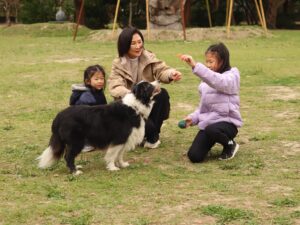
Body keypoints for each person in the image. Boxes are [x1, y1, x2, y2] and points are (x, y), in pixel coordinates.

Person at [108, 27, 182, 149]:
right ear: (125, 45)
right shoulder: (118, 63)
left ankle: (152, 136)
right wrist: (133, 95)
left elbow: (161, 70)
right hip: (129, 106)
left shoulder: (148, 56)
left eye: (139, 42)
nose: (138, 46)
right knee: (145, 124)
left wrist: (171, 74)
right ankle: (146, 135)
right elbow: (115, 86)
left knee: (162, 94)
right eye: (133, 43)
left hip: (146, 102)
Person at [179, 42, 242, 162]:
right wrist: (192, 119)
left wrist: (195, 65)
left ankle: (230, 144)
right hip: (209, 124)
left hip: (227, 124)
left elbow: (218, 81)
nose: (208, 65)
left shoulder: (231, 76)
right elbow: (204, 108)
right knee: (194, 156)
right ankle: (209, 144)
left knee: (212, 129)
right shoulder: (205, 82)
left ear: (223, 61)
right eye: (206, 62)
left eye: (211, 62)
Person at [69, 64, 107, 152]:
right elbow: (84, 118)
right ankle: (84, 143)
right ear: (88, 81)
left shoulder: (98, 91)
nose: (100, 81)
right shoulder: (86, 97)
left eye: (102, 78)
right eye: (96, 79)